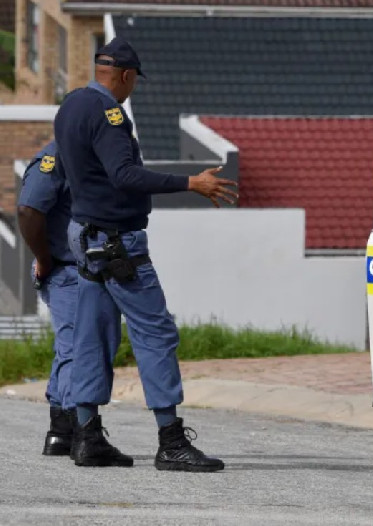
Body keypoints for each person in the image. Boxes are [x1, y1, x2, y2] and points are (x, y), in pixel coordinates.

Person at [53, 37, 238, 471]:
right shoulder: (110, 115)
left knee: (91, 336)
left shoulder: (70, 105)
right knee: (156, 334)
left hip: (85, 236)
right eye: (134, 80)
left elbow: (70, 170)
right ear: (125, 75)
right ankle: (171, 441)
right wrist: (191, 183)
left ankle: (87, 436)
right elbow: (124, 174)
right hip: (117, 242)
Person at [17, 141, 78, 456]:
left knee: (72, 347)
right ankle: (70, 427)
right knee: (75, 348)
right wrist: (43, 259)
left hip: (81, 269)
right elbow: (28, 211)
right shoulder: (53, 158)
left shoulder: (86, 153)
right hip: (64, 269)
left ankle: (61, 431)